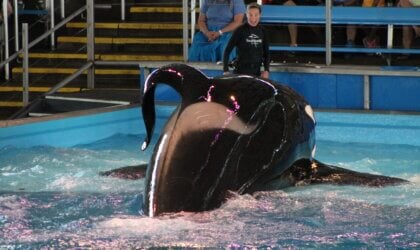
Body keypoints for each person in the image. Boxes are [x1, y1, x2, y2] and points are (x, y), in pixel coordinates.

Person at [223, 3, 270, 78]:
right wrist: (225, 70)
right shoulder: (240, 30)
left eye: (256, 15)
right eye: (250, 15)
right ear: (246, 15)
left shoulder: (263, 31)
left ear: (260, 15)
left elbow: (266, 53)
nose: (253, 18)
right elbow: (227, 50)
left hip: (256, 73)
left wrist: (266, 70)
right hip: (240, 72)